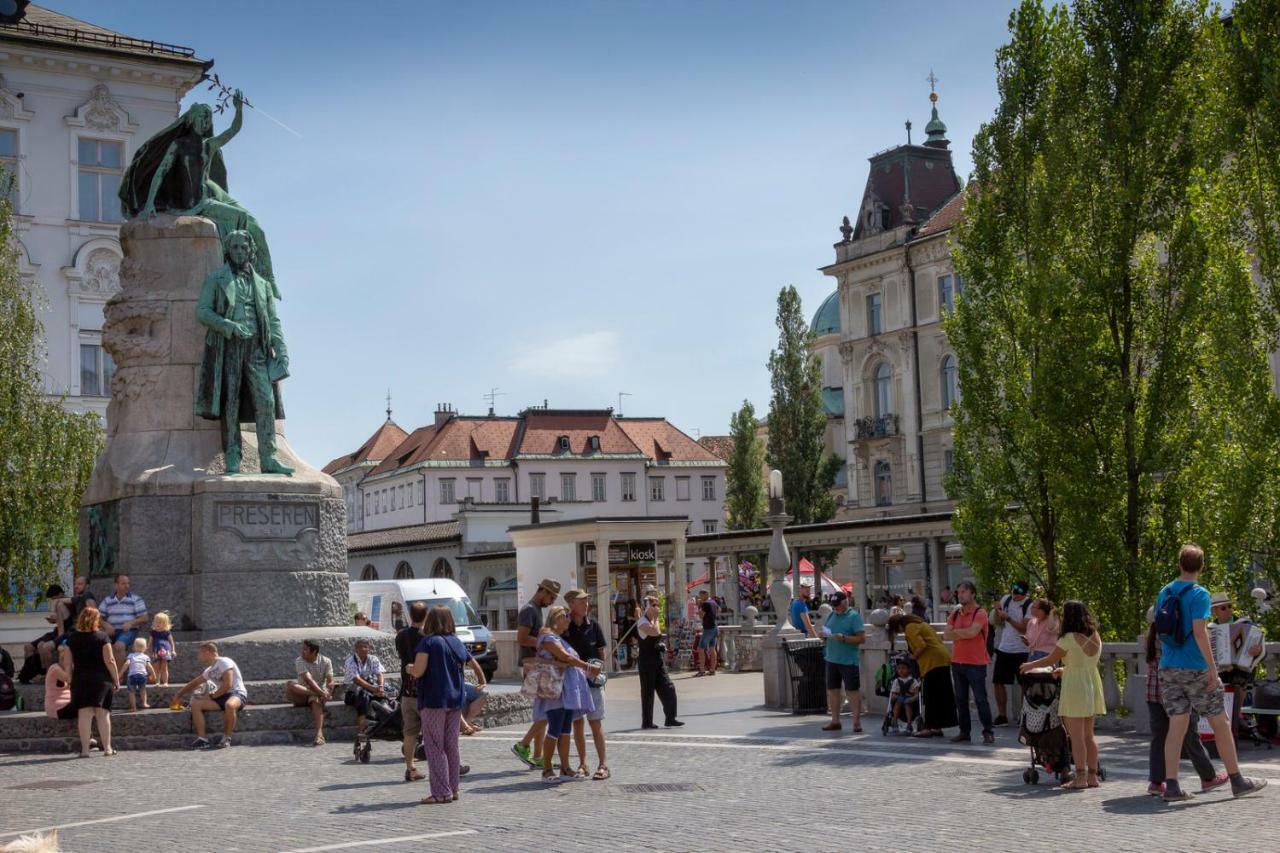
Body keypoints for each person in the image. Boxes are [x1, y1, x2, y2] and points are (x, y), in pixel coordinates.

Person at [1154, 544, 1266, 801]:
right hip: (1195, 667)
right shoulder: (1199, 594)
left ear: (1180, 564)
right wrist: (1212, 667)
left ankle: (1171, 786)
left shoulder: (1165, 591)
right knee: (1220, 723)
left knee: (1177, 725)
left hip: (1168, 667)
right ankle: (1237, 780)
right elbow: (1199, 631)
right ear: (1201, 567)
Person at [1020, 600, 1105, 789]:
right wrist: (1065, 670)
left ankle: (1080, 778)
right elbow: (1083, 663)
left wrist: (1029, 665)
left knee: (1076, 737)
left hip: (1075, 687)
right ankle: (1092, 777)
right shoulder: (1095, 635)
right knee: (1089, 736)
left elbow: (1051, 658)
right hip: (1091, 683)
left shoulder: (1068, 638)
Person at [1144, 621, 1228, 796]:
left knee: (1159, 739)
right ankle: (1208, 777)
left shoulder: (1151, 638)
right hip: (1174, 693)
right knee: (1191, 737)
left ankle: (1156, 782)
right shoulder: (1171, 634)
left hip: (1153, 694)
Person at [407, 605, 472, 804]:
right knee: (452, 746)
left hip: (434, 699)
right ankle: (453, 788)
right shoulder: (456, 642)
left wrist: (409, 668)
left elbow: (418, 670)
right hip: (455, 699)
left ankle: (441, 791)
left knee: (434, 746)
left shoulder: (428, 642)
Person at [532, 606, 599, 783]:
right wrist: (588, 667)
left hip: (566, 689)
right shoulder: (547, 636)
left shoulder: (557, 637)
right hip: (555, 689)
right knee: (554, 727)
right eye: (566, 617)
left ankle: (565, 767)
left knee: (565, 729)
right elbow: (565, 657)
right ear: (557, 618)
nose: (569, 620)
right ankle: (547, 769)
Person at [511, 578, 561, 769]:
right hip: (532, 665)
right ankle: (524, 745)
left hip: (537, 664)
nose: (552, 602)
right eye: (552, 597)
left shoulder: (536, 610)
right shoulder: (529, 610)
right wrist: (546, 642)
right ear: (543, 592)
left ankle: (539, 755)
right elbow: (522, 638)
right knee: (548, 709)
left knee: (544, 709)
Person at [563, 589, 609, 780]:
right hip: (574, 682)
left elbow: (602, 653)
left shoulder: (594, 626)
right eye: (582, 601)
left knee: (595, 722)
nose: (586, 605)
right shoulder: (564, 627)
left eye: (587, 601)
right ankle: (583, 763)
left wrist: (598, 666)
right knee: (577, 724)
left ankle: (603, 764)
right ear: (571, 604)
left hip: (593, 682)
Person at [887, 613, 956, 738]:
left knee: (930, 696)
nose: (899, 632)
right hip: (942, 658)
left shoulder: (910, 627)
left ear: (898, 626)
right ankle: (937, 726)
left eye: (897, 630)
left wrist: (913, 657)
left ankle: (928, 728)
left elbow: (921, 645)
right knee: (940, 696)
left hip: (932, 662)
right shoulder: (919, 623)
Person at [944, 581, 994, 744]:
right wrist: (963, 633)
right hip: (957, 662)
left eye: (964, 592)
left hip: (976, 663)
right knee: (960, 700)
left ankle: (988, 731)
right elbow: (946, 635)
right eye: (959, 592)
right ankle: (964, 732)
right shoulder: (955, 613)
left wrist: (956, 633)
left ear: (972, 594)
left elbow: (973, 632)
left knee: (980, 699)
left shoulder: (980, 613)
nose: (960, 595)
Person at [65, 607, 119, 757]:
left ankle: (85, 750)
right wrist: (116, 679)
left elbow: (67, 663)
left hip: (80, 679)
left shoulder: (72, 639)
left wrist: (69, 680)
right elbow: (110, 660)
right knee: (103, 714)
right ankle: (107, 748)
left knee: (84, 715)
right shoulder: (102, 637)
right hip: (101, 679)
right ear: (96, 620)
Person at [175, 642, 247, 749]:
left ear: (207, 652)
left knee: (229, 705)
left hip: (237, 693)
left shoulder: (224, 661)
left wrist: (213, 696)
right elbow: (195, 682)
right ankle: (202, 739)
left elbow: (228, 684)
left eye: (200, 653)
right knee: (196, 704)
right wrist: (179, 695)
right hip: (221, 696)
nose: (198, 656)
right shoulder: (209, 670)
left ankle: (226, 738)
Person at [820, 591, 865, 733]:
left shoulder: (854, 616)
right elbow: (826, 631)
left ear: (846, 602)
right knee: (833, 690)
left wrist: (845, 638)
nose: (836, 608)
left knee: (852, 691)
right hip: (832, 658)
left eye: (838, 605)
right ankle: (835, 720)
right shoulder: (832, 615)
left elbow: (861, 638)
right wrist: (823, 635)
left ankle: (856, 722)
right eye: (834, 606)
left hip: (848, 660)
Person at [991, 580, 1032, 726]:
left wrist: (1008, 617)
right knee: (998, 681)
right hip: (1004, 648)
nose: (1014, 596)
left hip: (1022, 650)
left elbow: (1023, 628)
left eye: (1018, 595)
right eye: (1013, 593)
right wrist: (997, 611)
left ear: (1024, 594)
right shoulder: (1006, 599)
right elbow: (996, 622)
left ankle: (1024, 714)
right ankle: (1002, 715)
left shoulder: (1030, 605)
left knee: (1024, 684)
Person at [396, 601, 428, 781]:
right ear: (425, 616)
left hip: (406, 690)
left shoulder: (401, 636)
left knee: (409, 733)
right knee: (432, 732)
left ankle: (411, 768)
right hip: (423, 691)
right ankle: (445, 766)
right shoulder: (427, 636)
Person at [637, 597, 681, 729]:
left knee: (669, 687)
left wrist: (661, 645)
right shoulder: (642, 622)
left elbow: (657, 635)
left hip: (657, 660)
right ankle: (647, 722)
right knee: (648, 692)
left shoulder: (652, 620)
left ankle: (670, 717)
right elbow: (655, 631)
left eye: (658, 605)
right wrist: (656, 619)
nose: (657, 608)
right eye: (654, 605)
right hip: (646, 662)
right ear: (648, 607)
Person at [285, 640, 334, 746]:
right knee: (290, 684)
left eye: (305, 649)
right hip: (302, 694)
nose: (302, 651)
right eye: (302, 649)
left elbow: (330, 680)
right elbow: (309, 680)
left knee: (315, 699)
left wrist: (329, 689)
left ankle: (319, 735)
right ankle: (317, 694)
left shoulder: (326, 661)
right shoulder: (300, 660)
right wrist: (321, 693)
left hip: (316, 695)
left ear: (314, 651)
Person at [98, 574, 148, 671]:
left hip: (128, 631)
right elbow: (97, 616)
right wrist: (105, 625)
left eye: (128, 583)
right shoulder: (108, 600)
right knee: (97, 642)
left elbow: (145, 618)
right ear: (116, 585)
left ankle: (119, 676)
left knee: (119, 645)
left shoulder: (135, 599)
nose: (127, 586)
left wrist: (131, 623)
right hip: (111, 630)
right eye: (123, 583)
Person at [343, 638, 387, 744]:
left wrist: (380, 686)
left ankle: (382, 728)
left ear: (369, 648)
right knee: (363, 697)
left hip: (370, 688)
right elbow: (356, 680)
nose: (363, 649)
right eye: (360, 647)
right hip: (353, 691)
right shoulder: (350, 660)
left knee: (384, 697)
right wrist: (373, 689)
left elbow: (379, 673)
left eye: (365, 647)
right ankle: (361, 731)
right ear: (356, 649)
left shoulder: (373, 659)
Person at [885, 659, 921, 735]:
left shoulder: (913, 681)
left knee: (907, 704)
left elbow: (917, 694)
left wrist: (912, 699)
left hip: (910, 700)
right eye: (899, 668)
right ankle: (894, 722)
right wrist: (896, 697)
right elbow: (893, 694)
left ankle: (909, 725)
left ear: (909, 670)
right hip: (899, 698)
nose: (901, 670)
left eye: (903, 668)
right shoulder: (896, 681)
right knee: (898, 703)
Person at [122, 637, 156, 712]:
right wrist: (153, 674)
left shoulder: (131, 655)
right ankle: (144, 703)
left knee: (131, 692)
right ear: (145, 648)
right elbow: (149, 666)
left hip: (132, 676)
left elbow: (127, 664)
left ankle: (133, 707)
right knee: (143, 689)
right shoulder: (145, 657)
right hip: (142, 675)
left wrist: (120, 673)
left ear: (134, 647)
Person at [695, 589, 719, 676]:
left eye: (701, 595)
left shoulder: (705, 604)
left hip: (708, 628)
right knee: (712, 649)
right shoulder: (713, 602)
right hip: (715, 627)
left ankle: (702, 670)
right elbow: (718, 610)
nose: (700, 597)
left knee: (700, 649)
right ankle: (712, 669)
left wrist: (699, 606)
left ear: (705, 594)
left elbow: (701, 615)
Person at [149, 612, 175, 686]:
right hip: (156, 650)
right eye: (156, 622)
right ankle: (157, 682)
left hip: (165, 650)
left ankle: (165, 682)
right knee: (156, 667)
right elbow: (150, 642)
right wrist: (148, 650)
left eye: (160, 622)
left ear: (165, 624)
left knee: (164, 667)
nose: (157, 624)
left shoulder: (166, 632)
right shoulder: (153, 633)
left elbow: (171, 642)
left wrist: (173, 650)